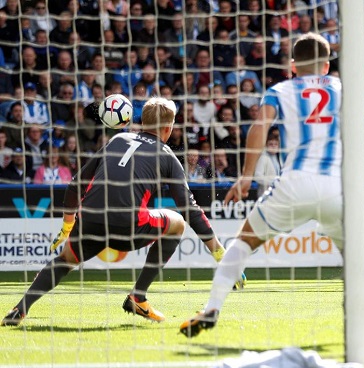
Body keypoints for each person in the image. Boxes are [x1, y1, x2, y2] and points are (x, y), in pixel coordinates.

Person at [179, 33, 364, 342]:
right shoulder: (343, 89)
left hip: (293, 185)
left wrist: (246, 176)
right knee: (357, 257)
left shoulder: (280, 89)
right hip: (337, 188)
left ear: (293, 66)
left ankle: (212, 308)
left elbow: (259, 128)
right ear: (326, 65)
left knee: (243, 242)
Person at [1, 97, 226, 327]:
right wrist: (219, 253)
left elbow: (75, 185)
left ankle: (19, 309)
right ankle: (138, 296)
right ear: (168, 128)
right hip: (129, 228)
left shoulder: (117, 139)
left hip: (91, 220)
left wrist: (68, 225)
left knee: (65, 260)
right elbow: (188, 207)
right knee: (177, 222)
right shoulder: (166, 154)